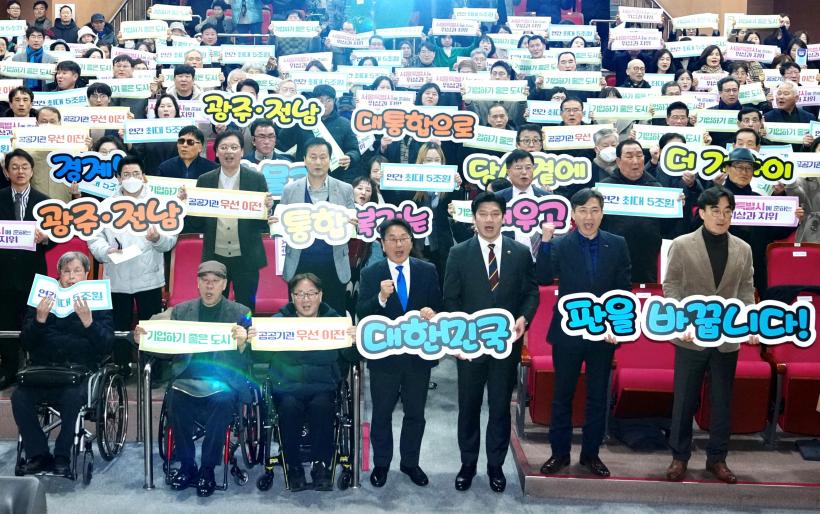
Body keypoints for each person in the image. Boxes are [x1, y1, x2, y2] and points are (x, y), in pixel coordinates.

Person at [443, 192, 539, 493]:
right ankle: (467, 465)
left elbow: (531, 292)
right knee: (468, 407)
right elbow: (450, 299)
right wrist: (459, 338)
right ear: (474, 218)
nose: (489, 220)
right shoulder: (459, 253)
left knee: (499, 408)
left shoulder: (519, 252)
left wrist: (524, 317)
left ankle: (495, 466)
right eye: (483, 214)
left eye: (495, 214)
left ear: (504, 217)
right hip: (470, 347)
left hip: (505, 346)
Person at [664, 186, 758, 485]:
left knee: (722, 401)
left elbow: (746, 290)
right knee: (684, 400)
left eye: (728, 211)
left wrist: (750, 323)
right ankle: (679, 457)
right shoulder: (681, 244)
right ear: (702, 212)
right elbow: (671, 285)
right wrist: (680, 321)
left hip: (726, 338)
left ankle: (717, 458)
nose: (722, 217)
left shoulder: (743, 248)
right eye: (715, 210)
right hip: (690, 335)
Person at [536, 188, 631, 478]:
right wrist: (545, 241)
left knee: (597, 396)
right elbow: (542, 277)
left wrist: (616, 325)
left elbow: (623, 288)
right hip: (568, 331)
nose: (589, 217)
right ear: (573, 215)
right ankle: (559, 453)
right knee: (562, 395)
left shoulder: (617, 244)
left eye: (594, 210)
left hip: (603, 332)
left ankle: (591, 454)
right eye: (583, 211)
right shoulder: (560, 244)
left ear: (602, 213)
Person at [135, 260, 251, 497]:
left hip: (223, 381)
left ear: (224, 284)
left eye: (215, 281)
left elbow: (253, 355)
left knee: (222, 401)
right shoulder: (181, 311)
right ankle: (187, 465)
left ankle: (207, 468)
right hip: (187, 379)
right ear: (197, 283)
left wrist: (243, 343)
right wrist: (145, 339)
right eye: (205, 281)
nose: (209, 286)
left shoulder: (242, 313)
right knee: (175, 398)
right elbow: (164, 349)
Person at [357, 218, 443, 489]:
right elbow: (362, 313)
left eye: (403, 238)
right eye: (392, 239)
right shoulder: (371, 273)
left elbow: (440, 306)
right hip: (384, 358)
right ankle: (381, 464)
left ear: (411, 241)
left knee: (415, 413)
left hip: (418, 357)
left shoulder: (427, 270)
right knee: (382, 413)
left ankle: (410, 462)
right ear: (382, 244)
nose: (398, 244)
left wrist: (432, 312)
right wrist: (381, 298)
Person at [12, 251, 114, 475]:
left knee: (72, 397)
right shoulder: (41, 299)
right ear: (58, 274)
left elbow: (107, 344)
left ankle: (62, 455)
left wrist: (89, 322)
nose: (71, 276)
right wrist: (39, 320)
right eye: (66, 271)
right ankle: (38, 454)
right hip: (42, 369)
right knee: (19, 397)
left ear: (86, 274)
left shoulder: (98, 301)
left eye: (77, 271)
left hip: (78, 372)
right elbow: (26, 342)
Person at [261, 272, 355, 491]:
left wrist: (353, 341)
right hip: (288, 387)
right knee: (289, 407)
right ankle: (293, 465)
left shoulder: (334, 322)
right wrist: (251, 340)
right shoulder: (278, 322)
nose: (306, 299)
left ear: (320, 296)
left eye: (311, 293)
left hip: (322, 385)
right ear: (292, 297)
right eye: (300, 294)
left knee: (322, 406)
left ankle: (321, 465)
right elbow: (259, 357)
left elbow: (350, 358)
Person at [87, 154, 176, 371]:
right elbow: (94, 238)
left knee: (150, 326)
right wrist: (106, 250)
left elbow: (170, 241)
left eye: (136, 173)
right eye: (126, 174)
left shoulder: (158, 204)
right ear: (118, 178)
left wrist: (158, 238)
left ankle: (153, 368)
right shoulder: (106, 206)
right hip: (117, 277)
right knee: (119, 326)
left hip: (149, 278)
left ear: (144, 176)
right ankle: (122, 367)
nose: (131, 178)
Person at [180, 130, 273, 312]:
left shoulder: (256, 179)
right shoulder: (205, 181)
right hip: (215, 256)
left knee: (247, 307)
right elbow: (197, 224)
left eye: (234, 147)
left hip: (247, 258)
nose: (229, 152)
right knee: (214, 305)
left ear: (242, 151)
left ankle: (245, 330)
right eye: (223, 147)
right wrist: (186, 204)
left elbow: (262, 224)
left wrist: (267, 209)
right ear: (216, 152)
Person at [278, 138, 355, 316]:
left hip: (334, 264)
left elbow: (353, 227)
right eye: (313, 157)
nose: (318, 162)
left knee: (334, 317)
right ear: (304, 160)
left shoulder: (345, 189)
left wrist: (353, 225)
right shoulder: (290, 190)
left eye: (323, 157)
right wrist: (276, 223)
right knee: (299, 317)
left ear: (330, 160)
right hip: (300, 262)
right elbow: (281, 228)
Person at [0, 149, 50, 390]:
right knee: (5, 321)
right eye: (14, 167)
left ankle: (35, 368)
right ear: (6, 172)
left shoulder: (44, 202)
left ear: (32, 171)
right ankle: (9, 370)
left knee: (35, 320)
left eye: (24, 167)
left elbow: (58, 234)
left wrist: (46, 238)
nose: (20, 171)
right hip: (3, 273)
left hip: (33, 271)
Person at [277, 85, 361, 183]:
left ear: (334, 101)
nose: (324, 104)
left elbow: (354, 149)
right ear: (313, 101)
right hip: (304, 176)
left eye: (328, 100)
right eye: (320, 100)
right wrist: (293, 120)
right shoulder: (302, 121)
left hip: (334, 177)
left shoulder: (344, 123)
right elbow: (283, 143)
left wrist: (350, 157)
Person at [496, 149, 549, 260]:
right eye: (518, 168)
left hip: (542, 259)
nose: (524, 172)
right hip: (509, 259)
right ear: (508, 172)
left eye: (528, 168)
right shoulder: (498, 199)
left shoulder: (546, 197)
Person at [11, 27, 57, 92]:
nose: (36, 40)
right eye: (33, 37)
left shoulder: (51, 60)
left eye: (39, 37)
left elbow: (53, 84)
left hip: (44, 94)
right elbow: (12, 80)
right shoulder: (17, 58)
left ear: (44, 40)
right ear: (27, 39)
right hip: (23, 94)